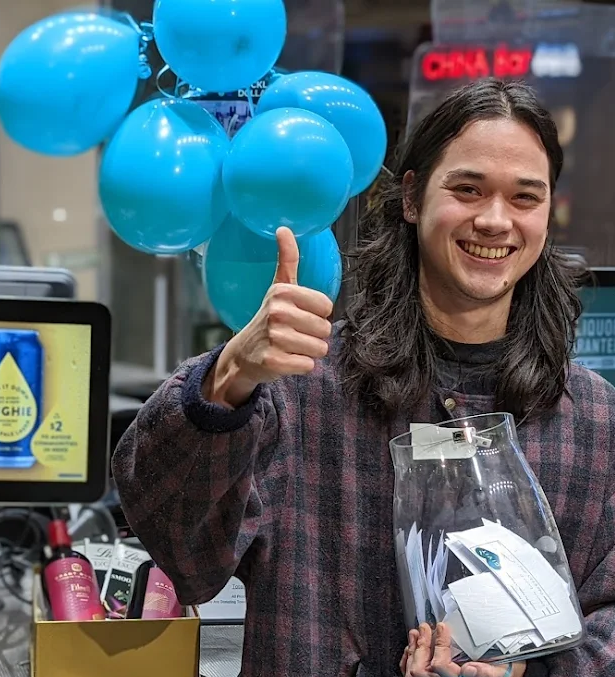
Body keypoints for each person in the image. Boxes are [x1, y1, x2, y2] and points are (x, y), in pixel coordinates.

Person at [112, 78, 615, 677]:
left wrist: (526, 671)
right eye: (468, 189)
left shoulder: (592, 420)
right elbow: (178, 545)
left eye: (525, 198)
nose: (495, 220)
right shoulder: (304, 389)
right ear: (411, 197)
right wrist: (229, 375)